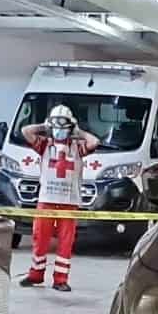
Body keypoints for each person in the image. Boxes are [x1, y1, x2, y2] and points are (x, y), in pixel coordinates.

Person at [19, 105, 100, 292]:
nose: (59, 130)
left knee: (65, 242)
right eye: (56, 126)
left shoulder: (77, 147)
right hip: (46, 199)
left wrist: (78, 131)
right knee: (40, 239)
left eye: (64, 126)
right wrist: (44, 126)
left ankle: (60, 279)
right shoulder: (45, 145)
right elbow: (25, 131)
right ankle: (35, 275)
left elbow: (94, 142)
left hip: (69, 202)